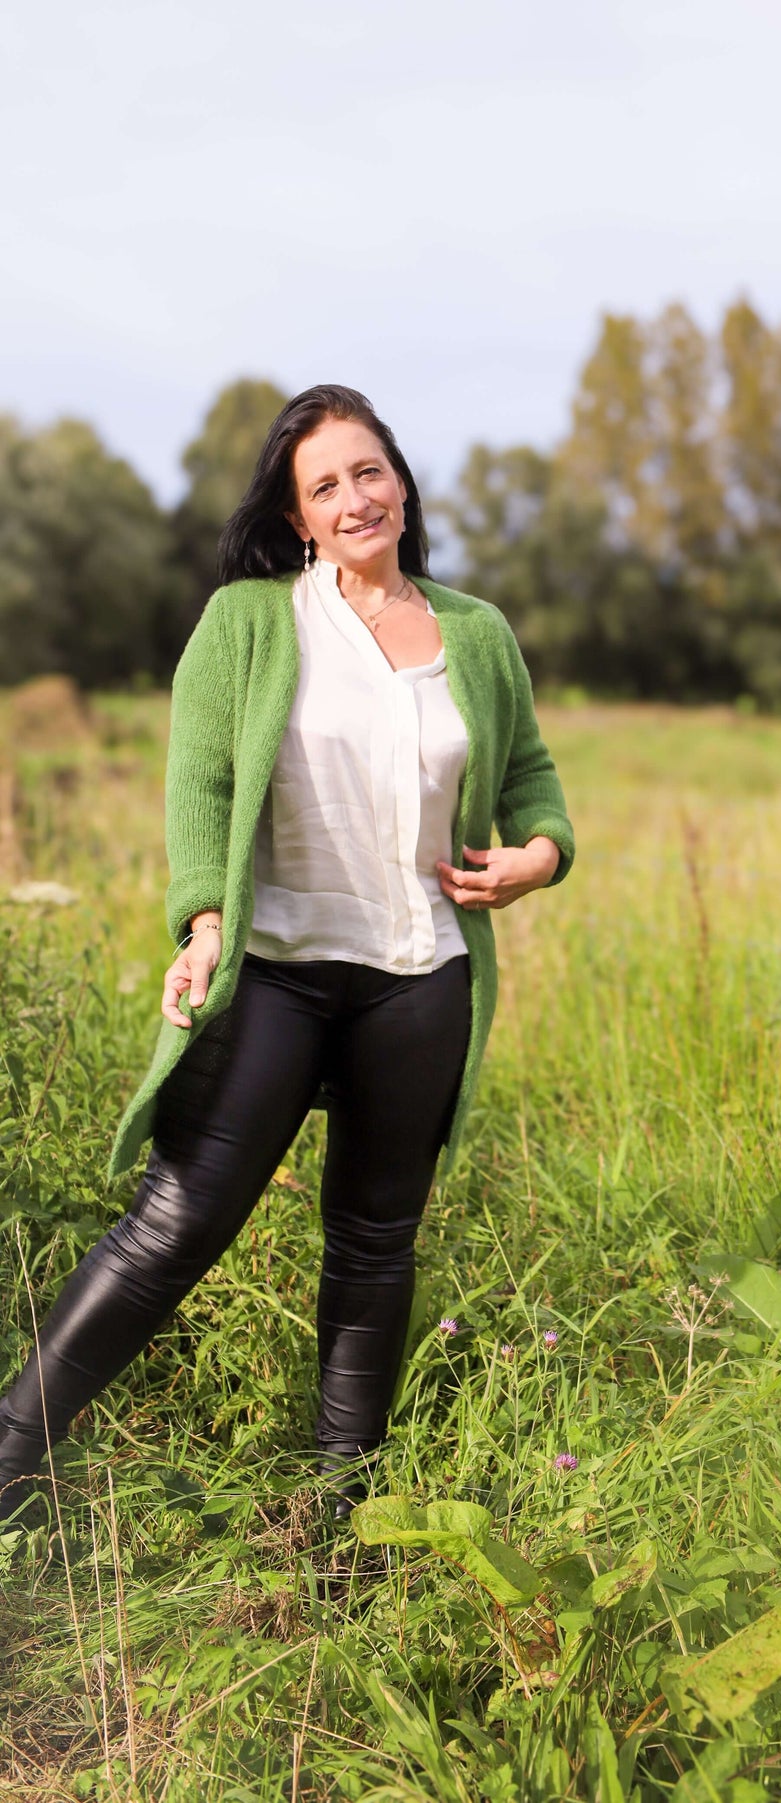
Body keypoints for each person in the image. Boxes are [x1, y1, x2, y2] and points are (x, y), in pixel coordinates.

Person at [0, 384, 574, 1522]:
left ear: (401, 480)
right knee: (177, 1220)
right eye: (326, 485)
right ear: (299, 516)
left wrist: (538, 858)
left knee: (374, 1248)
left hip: (420, 975)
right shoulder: (252, 621)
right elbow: (201, 789)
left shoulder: (476, 632)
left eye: (370, 471)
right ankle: (11, 1463)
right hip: (277, 966)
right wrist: (205, 920)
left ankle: (339, 1528)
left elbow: (534, 784)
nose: (355, 497)